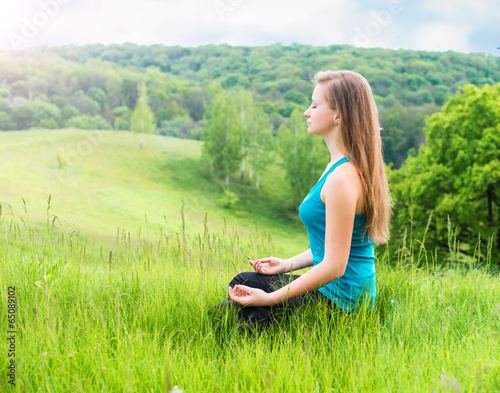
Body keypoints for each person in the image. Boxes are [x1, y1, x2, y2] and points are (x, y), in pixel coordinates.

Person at [208, 70, 391, 329]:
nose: (307, 112)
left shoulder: (343, 178)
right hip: (334, 290)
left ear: (339, 115)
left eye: (315, 105)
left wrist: (270, 298)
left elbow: (335, 266)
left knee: (222, 317)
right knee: (243, 282)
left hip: (342, 305)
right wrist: (285, 265)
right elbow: (333, 245)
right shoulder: (339, 166)